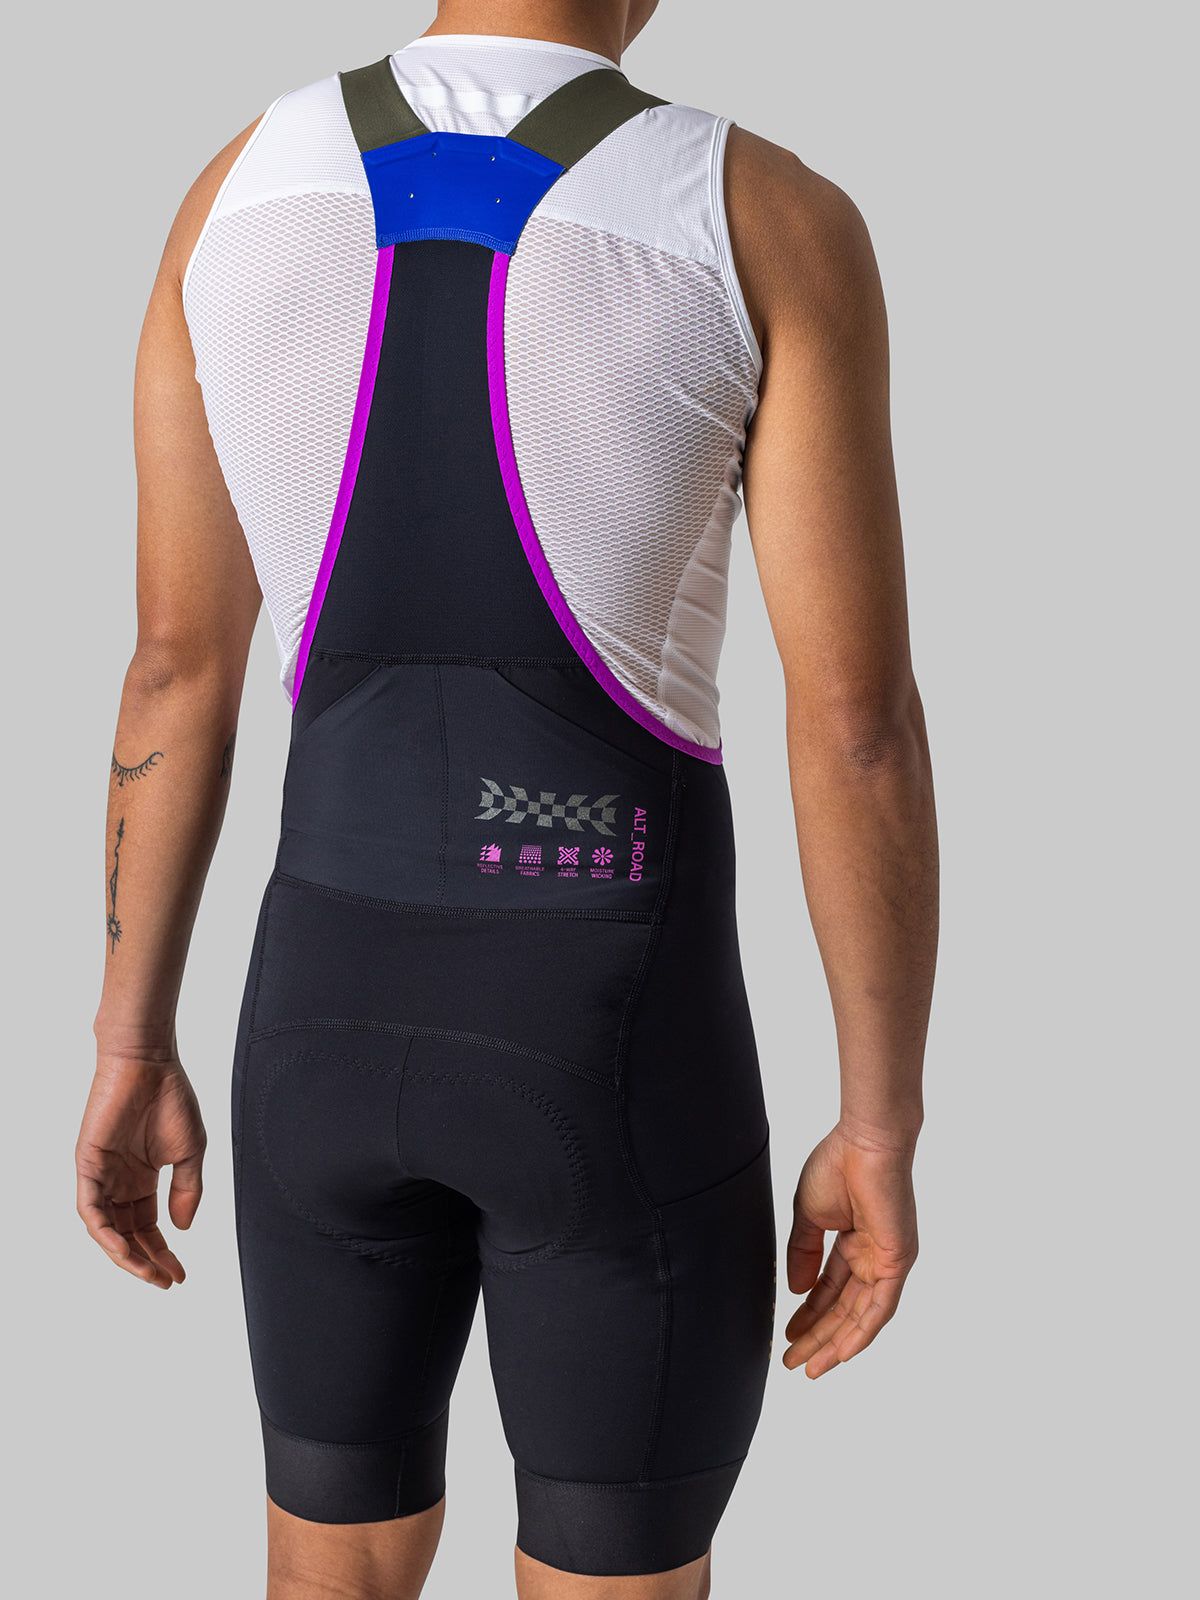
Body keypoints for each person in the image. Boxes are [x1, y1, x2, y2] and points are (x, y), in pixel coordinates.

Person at [76, 2, 938, 1595]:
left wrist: (129, 1045)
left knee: (324, 1572)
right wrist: (879, 1123)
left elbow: (173, 670)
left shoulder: (235, 184)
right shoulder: (758, 212)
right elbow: (857, 728)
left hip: (316, 1023)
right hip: (609, 1042)